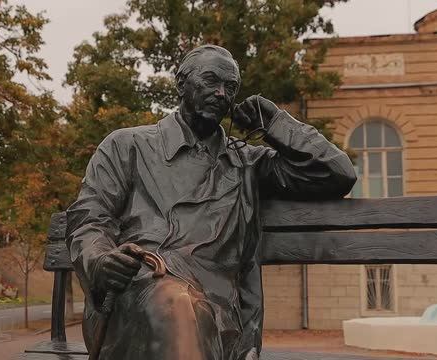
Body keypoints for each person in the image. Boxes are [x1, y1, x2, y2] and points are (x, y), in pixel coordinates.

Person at [66, 44, 356, 360]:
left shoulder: (247, 163)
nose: (221, 93)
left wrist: (273, 121)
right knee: (174, 303)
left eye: (230, 87)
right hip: (130, 300)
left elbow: (336, 174)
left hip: (218, 312)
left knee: (182, 307)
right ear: (181, 83)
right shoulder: (126, 146)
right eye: (210, 81)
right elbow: (90, 219)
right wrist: (99, 261)